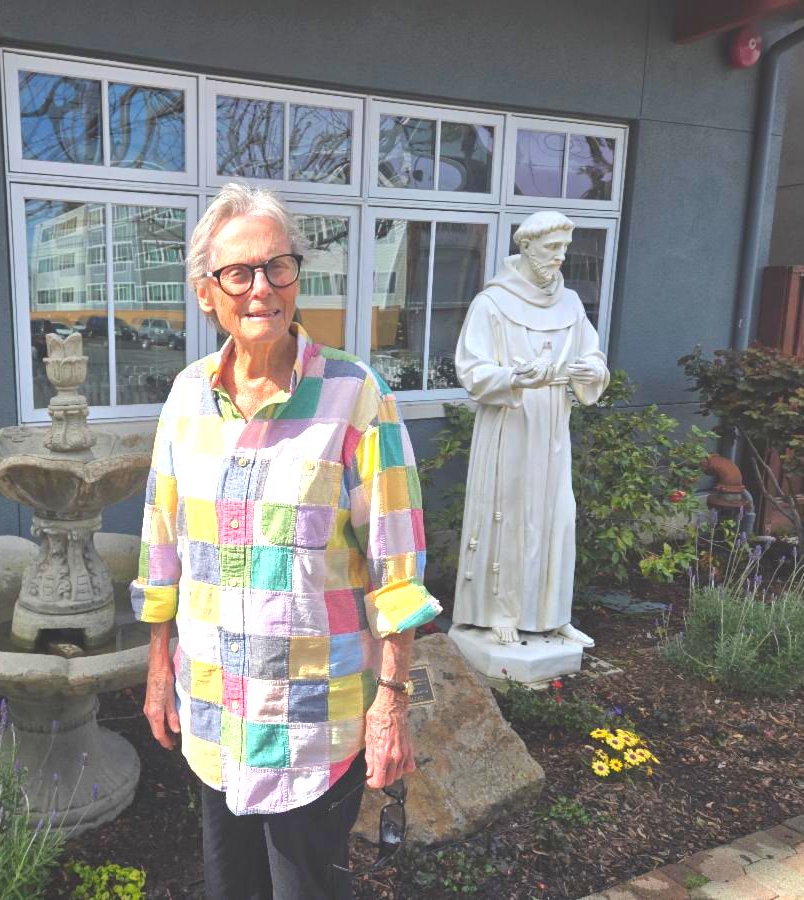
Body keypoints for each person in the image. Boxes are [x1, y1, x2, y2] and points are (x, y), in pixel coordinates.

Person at [130, 182, 441, 899]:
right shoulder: (185, 399)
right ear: (206, 293)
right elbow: (161, 548)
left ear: (297, 276)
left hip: (314, 724)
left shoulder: (355, 397)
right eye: (238, 272)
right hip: (215, 712)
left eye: (277, 266)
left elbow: (398, 570)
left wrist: (392, 701)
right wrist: (157, 668)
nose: (261, 287)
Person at [450, 210, 610, 647]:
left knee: (557, 516)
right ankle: (496, 611)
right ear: (526, 246)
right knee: (511, 514)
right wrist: (515, 378)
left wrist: (589, 370)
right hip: (510, 424)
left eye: (564, 248)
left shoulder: (571, 303)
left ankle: (552, 614)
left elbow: (594, 356)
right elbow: (472, 369)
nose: (560, 256)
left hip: (554, 425)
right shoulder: (491, 303)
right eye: (551, 247)